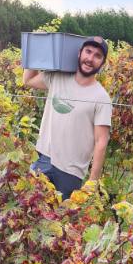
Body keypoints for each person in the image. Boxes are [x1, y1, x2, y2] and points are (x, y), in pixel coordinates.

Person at [22, 36, 112, 199]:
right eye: (88, 51)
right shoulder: (57, 77)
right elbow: (27, 80)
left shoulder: (102, 97)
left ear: (102, 64)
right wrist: (35, 48)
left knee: (60, 220)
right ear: (79, 53)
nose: (90, 58)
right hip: (43, 159)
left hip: (70, 173)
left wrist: (92, 183)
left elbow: (101, 141)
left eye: (97, 55)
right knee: (28, 212)